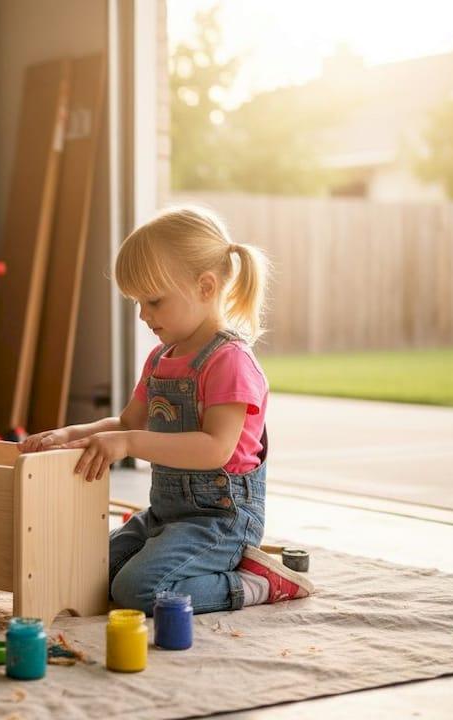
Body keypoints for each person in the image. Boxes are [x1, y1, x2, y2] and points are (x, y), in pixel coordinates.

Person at [19, 206, 312, 614]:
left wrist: (128, 443)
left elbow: (215, 449)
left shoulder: (229, 361)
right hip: (166, 514)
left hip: (221, 522)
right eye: (138, 302)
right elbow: (125, 423)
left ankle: (253, 582)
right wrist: (70, 436)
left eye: (154, 301)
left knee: (136, 591)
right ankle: (198, 570)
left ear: (206, 287)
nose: (143, 315)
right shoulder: (160, 358)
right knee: (91, 572)